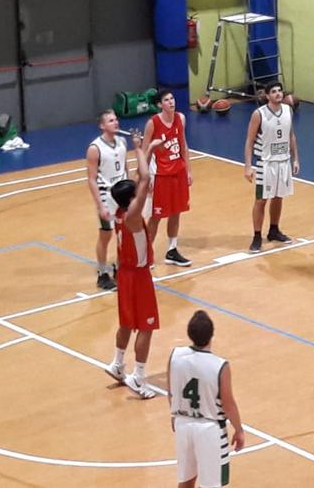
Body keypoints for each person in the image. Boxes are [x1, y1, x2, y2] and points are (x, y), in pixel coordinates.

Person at [105, 130, 165, 399]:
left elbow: (142, 179)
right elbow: (146, 178)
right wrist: (139, 146)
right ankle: (138, 377)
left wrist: (146, 150)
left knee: (127, 322)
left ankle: (118, 363)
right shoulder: (131, 215)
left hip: (124, 274)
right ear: (131, 198)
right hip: (139, 276)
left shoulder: (120, 212)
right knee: (146, 326)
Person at [168, 310, 244, 488]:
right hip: (209, 429)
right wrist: (239, 429)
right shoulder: (219, 365)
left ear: (189, 333)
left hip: (183, 424)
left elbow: (171, 390)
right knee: (211, 485)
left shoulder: (175, 356)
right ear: (211, 335)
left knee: (185, 481)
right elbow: (228, 404)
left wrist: (174, 413)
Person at [243, 82, 300, 253]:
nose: (278, 94)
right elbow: (249, 141)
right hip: (265, 163)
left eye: (280, 91)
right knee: (261, 200)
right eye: (274, 91)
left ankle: (274, 230)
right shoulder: (259, 114)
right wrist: (248, 166)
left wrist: (295, 159)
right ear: (267, 96)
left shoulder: (288, 110)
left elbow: (291, 135)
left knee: (278, 196)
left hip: (283, 161)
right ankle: (256, 236)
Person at [143, 89, 193, 267]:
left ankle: (172, 250)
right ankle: (145, 254)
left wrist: (188, 170)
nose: (171, 102)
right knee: (156, 216)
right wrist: (145, 177)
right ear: (159, 104)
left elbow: (183, 145)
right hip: (160, 176)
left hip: (178, 173)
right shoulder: (153, 123)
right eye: (166, 100)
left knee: (176, 212)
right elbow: (145, 150)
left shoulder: (181, 118)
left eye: (172, 98)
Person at [86, 109, 127, 291]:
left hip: (122, 194)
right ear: (102, 126)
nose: (115, 122)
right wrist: (100, 205)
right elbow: (91, 179)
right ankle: (102, 274)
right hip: (106, 195)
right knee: (106, 234)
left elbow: (125, 167)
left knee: (123, 233)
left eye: (116, 119)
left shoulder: (122, 142)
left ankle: (119, 267)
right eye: (111, 120)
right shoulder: (95, 148)